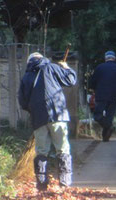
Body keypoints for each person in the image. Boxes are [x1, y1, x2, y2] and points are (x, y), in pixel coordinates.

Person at [18, 52, 77, 190]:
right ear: (42, 59)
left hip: (38, 118)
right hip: (58, 115)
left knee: (41, 151)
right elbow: (71, 80)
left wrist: (35, 109)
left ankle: (42, 185)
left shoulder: (26, 77)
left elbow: (23, 102)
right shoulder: (51, 67)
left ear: (29, 62)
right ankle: (65, 183)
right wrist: (66, 67)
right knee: (62, 149)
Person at [89, 50, 116, 142]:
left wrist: (91, 89)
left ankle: (108, 127)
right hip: (114, 96)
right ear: (114, 58)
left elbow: (92, 81)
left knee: (97, 115)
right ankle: (106, 137)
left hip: (101, 95)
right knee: (109, 116)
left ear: (105, 58)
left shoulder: (99, 68)